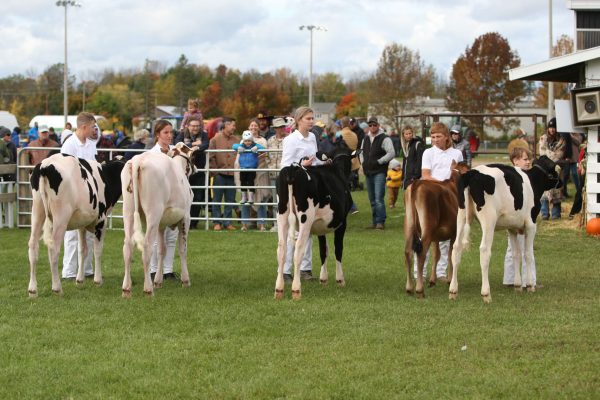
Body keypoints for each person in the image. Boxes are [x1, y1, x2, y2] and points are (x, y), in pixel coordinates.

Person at [280, 106, 325, 282]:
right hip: (293, 189)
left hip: (310, 188)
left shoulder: (312, 137)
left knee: (308, 229)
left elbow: (314, 159)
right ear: (298, 120)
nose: (311, 121)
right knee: (293, 230)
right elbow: (285, 166)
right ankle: (286, 270)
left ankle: (306, 269)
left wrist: (324, 161)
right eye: (308, 118)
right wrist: (301, 163)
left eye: (312, 118)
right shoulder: (291, 140)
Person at [417, 122, 463, 282]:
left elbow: (459, 176)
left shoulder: (456, 154)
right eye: (433, 137)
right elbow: (426, 174)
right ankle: (420, 274)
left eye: (438, 136)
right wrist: (442, 185)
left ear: (446, 137)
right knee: (425, 233)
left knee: (447, 234)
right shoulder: (428, 153)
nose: (435, 140)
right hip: (431, 194)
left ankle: (441, 272)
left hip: (450, 196)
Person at [60, 112, 98, 280]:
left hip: (89, 193)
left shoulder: (91, 144)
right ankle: (68, 272)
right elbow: (64, 170)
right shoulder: (69, 145)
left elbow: (94, 167)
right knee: (72, 233)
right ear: (84, 127)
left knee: (89, 231)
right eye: (92, 126)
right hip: (72, 192)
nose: (94, 129)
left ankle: (87, 269)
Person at [502, 147, 538, 288]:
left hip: (509, 216)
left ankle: (510, 278)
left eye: (529, 159)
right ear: (515, 161)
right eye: (525, 159)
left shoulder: (509, 174)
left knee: (512, 247)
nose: (528, 162)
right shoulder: (518, 177)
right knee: (525, 248)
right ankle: (528, 280)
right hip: (518, 216)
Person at [361, 116, 395, 230]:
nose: (372, 127)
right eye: (370, 125)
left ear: (378, 125)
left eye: (374, 125)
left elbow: (391, 153)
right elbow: (361, 152)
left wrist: (380, 161)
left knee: (378, 198)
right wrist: (363, 163)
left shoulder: (385, 138)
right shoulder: (365, 138)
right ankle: (375, 222)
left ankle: (380, 222)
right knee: (372, 199)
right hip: (368, 171)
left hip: (379, 172)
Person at [176, 116, 209, 229]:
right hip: (184, 172)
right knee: (183, 196)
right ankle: (183, 220)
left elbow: (206, 144)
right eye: (193, 126)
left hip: (198, 170)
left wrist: (195, 146)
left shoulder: (204, 134)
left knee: (197, 196)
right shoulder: (181, 134)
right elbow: (178, 145)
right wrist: (195, 145)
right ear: (188, 126)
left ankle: (193, 223)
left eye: (197, 126)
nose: (195, 128)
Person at [208, 116, 239, 231]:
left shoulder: (237, 140)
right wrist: (214, 172)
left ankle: (227, 222)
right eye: (233, 125)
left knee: (230, 200)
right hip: (219, 174)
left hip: (232, 175)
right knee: (217, 199)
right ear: (226, 125)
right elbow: (211, 157)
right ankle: (217, 222)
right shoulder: (215, 139)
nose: (234, 128)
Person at [539, 117, 567, 220]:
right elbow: (542, 152)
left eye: (554, 127)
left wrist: (549, 155)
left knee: (557, 190)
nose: (552, 129)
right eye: (550, 127)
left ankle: (556, 214)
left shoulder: (561, 140)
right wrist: (551, 156)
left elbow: (560, 154)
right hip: (545, 168)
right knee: (545, 191)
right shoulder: (543, 138)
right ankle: (544, 213)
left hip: (557, 168)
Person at [233, 130, 264, 217]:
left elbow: (263, 149)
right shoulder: (241, 146)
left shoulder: (255, 145)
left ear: (252, 140)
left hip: (252, 168)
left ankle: (250, 198)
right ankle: (244, 197)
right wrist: (238, 148)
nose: (247, 143)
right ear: (243, 141)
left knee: (250, 182)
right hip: (243, 168)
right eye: (246, 141)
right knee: (243, 182)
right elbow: (234, 146)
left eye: (249, 141)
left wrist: (257, 148)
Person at [267, 117, 289, 232]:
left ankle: (287, 224)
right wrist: (269, 165)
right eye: (278, 127)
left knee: (286, 200)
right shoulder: (270, 140)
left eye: (282, 126)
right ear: (275, 129)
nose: (281, 129)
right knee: (275, 200)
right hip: (272, 174)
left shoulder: (289, 139)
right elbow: (266, 155)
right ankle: (276, 224)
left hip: (285, 175)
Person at [338, 117, 360, 213]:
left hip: (343, 163)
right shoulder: (354, 135)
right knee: (346, 185)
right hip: (354, 162)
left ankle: (351, 206)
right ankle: (350, 206)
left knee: (342, 186)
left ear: (341, 124)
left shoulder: (339, 134)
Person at [400, 125, 425, 190]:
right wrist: (402, 178)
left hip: (414, 179)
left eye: (410, 133)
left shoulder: (417, 144)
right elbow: (404, 163)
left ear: (412, 133)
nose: (408, 135)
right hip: (407, 178)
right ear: (403, 135)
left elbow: (420, 161)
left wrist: (415, 177)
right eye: (406, 134)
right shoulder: (406, 145)